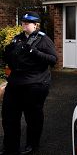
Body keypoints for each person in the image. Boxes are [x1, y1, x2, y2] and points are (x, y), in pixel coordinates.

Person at [0, 11, 57, 155]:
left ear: (35, 25)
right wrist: (7, 52)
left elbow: (53, 59)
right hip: (15, 83)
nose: (23, 25)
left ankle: (32, 146)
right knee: (9, 117)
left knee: (33, 118)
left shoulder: (43, 39)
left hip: (35, 84)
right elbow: (11, 59)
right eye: (23, 22)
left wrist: (34, 52)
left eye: (27, 23)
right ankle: (10, 147)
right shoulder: (17, 38)